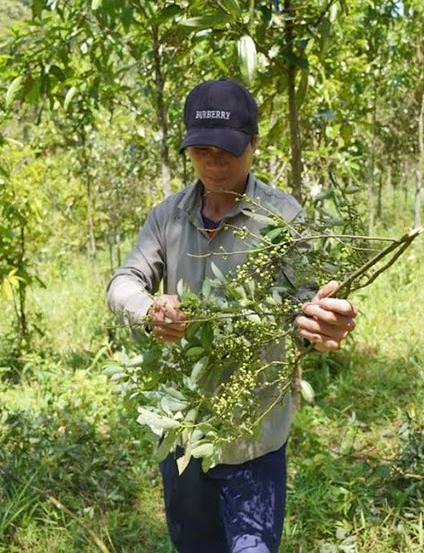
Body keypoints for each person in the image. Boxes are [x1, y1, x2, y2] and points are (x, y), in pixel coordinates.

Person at [107, 79, 357, 553]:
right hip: (185, 434)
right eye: (201, 150)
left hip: (254, 440)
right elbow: (123, 282)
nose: (214, 164)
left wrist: (320, 324)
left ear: (254, 146)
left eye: (226, 151)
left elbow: (308, 300)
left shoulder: (284, 219)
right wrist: (150, 311)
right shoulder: (168, 217)